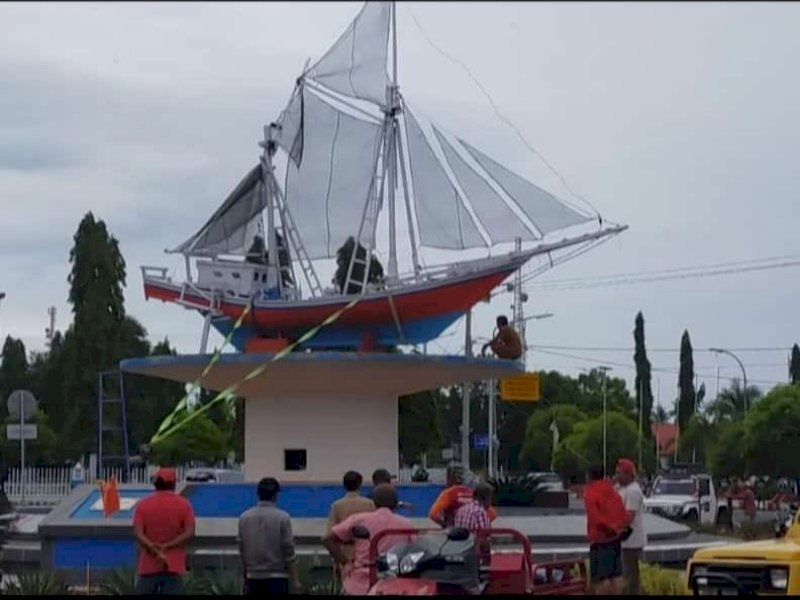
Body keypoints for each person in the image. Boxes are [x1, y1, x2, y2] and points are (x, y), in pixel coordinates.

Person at [323, 484, 416, 595]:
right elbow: (415, 550)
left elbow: (327, 539)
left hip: (360, 584)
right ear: (396, 504)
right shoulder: (406, 524)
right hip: (394, 584)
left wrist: (344, 561)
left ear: (373, 503)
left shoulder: (359, 519)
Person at [132, 467, 196, 595]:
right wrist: (167, 545)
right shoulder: (184, 505)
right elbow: (190, 532)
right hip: (174, 565)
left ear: (156, 484)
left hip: (148, 565)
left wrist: (153, 547)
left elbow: (138, 532)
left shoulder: (143, 505)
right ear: (173, 484)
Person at [238, 477, 299, 595]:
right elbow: (288, 550)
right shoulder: (282, 517)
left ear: (258, 494)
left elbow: (241, 550)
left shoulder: (244, 517)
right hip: (278, 577)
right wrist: (295, 579)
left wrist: (243, 578)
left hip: (252, 577)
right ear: (276, 495)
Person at [583, 465, 629, 596]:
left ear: (589, 476)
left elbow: (594, 518)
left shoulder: (590, 492)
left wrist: (608, 528)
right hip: (614, 540)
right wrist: (617, 529)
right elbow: (624, 515)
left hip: (599, 540)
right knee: (615, 575)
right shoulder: (613, 491)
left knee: (600, 579)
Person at [326, 471, 375, 591]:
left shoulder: (337, 505)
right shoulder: (369, 504)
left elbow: (330, 533)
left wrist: (338, 558)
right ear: (360, 484)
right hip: (365, 552)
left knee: (346, 587)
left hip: (344, 550)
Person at [428, 464, 498, 528]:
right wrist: (481, 521)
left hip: (454, 532)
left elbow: (433, 514)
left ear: (450, 478)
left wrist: (444, 524)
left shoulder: (448, 493)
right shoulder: (471, 492)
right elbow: (492, 514)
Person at [615, 459, 647, 595]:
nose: (616, 476)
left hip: (631, 541)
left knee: (630, 576)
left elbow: (629, 516)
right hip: (626, 541)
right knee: (627, 575)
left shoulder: (633, 491)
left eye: (619, 473)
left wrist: (615, 528)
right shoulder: (624, 489)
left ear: (627, 474)